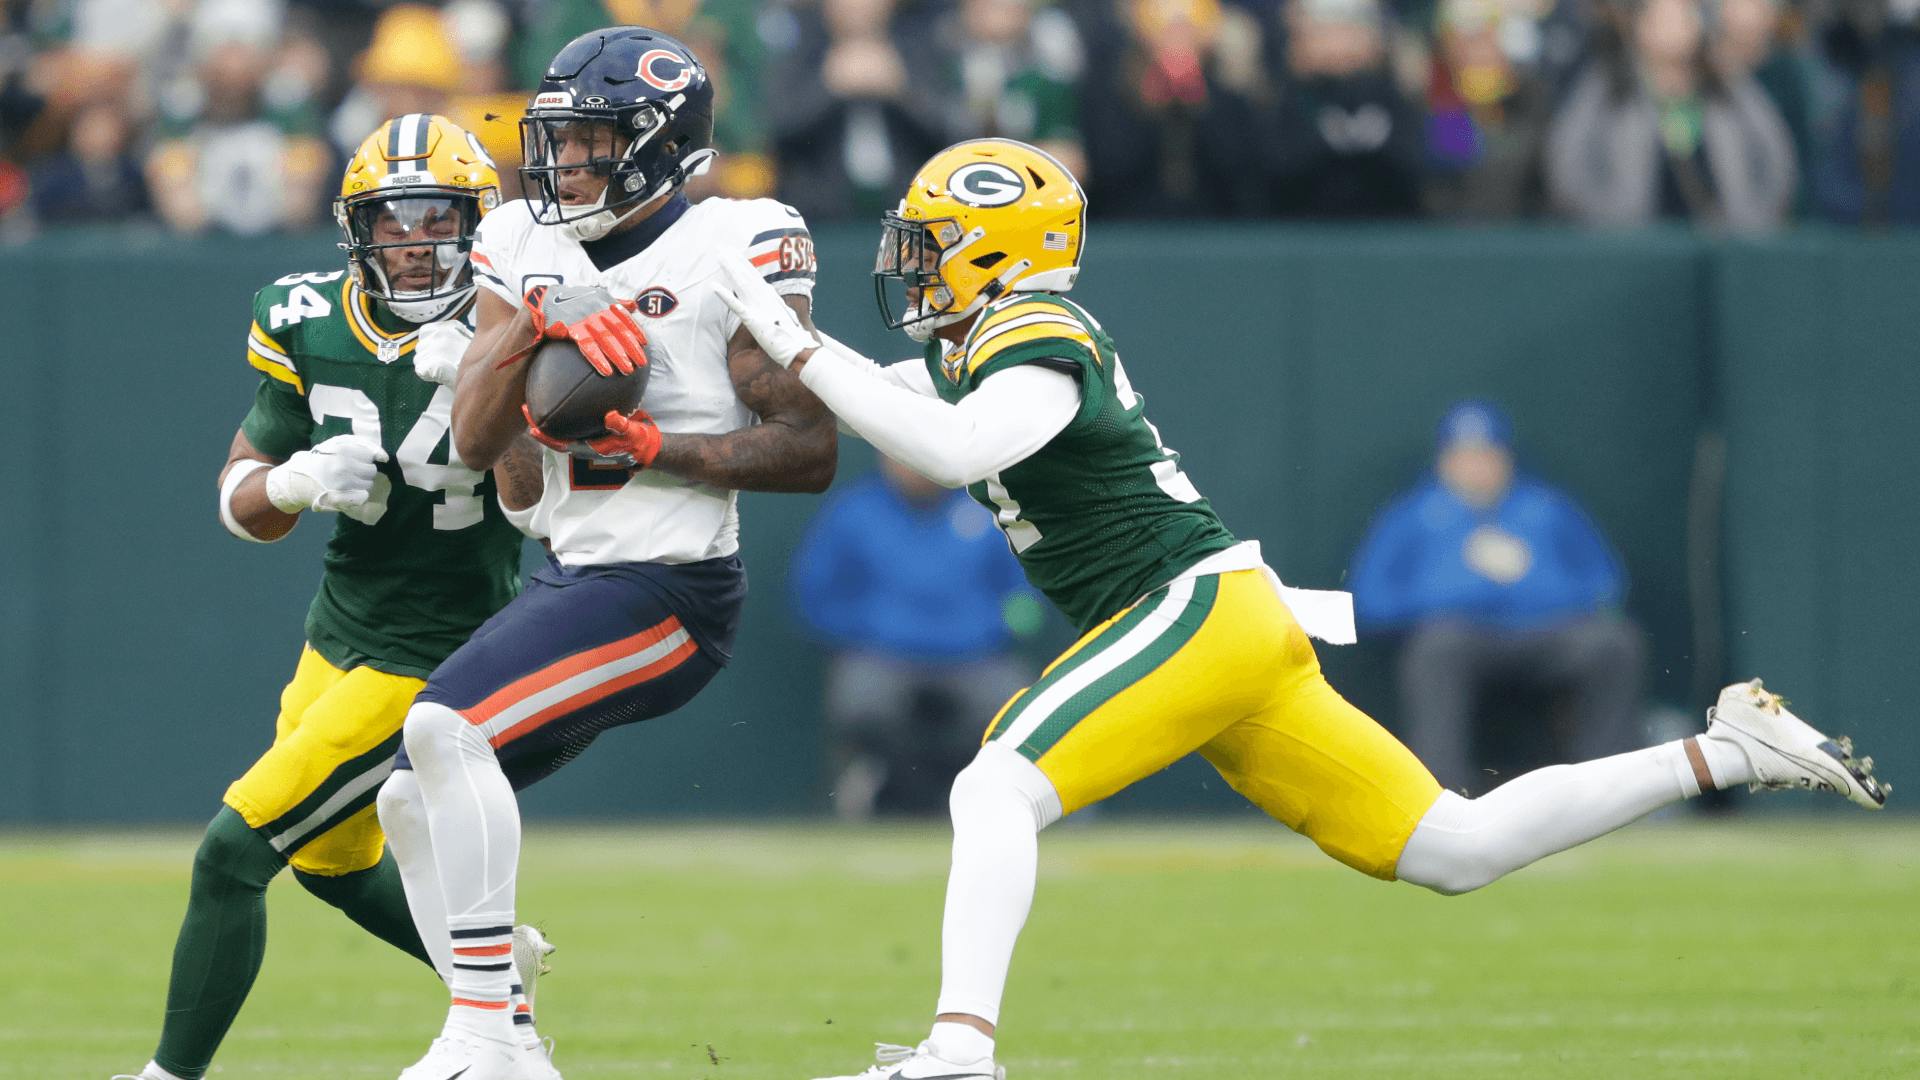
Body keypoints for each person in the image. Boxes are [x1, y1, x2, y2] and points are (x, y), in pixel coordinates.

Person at [713, 136, 1889, 1080]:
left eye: (933, 245)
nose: (911, 268)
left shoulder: (1036, 334)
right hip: (1227, 623)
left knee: (993, 785)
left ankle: (960, 1050)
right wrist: (683, 414)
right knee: (1454, 848)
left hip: (1193, 606)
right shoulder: (991, 339)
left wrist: (797, 348)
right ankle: (1724, 749)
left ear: (993, 253)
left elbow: (946, 441)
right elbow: (858, 407)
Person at [372, 26, 836, 1080]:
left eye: (590, 141)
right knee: (407, 798)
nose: (564, 163)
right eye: (559, 139)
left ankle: (481, 1033)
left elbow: (809, 451)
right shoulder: (520, 245)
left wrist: (651, 442)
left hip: (674, 588)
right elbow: (486, 446)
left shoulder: (738, 241)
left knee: (446, 727)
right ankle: (516, 1049)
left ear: (663, 144)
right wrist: (529, 328)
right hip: (571, 571)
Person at [114, 115, 549, 1080]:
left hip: (438, 649)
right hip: (337, 631)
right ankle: (491, 973)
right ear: (358, 228)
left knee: (233, 853)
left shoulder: (521, 324)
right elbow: (244, 492)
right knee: (332, 864)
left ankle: (167, 1076)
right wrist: (290, 484)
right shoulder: (302, 314)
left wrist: (500, 387)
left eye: (440, 217)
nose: (416, 240)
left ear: (482, 225)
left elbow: (545, 516)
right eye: (393, 220)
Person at [1349, 400, 1645, 794]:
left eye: (1487, 455)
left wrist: (1527, 592)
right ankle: (1440, 795)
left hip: (1547, 636)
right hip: (1461, 640)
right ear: (1444, 461)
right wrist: (1462, 597)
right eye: (1464, 456)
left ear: (1506, 459)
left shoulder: (1544, 507)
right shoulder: (1413, 514)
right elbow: (1371, 600)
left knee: (1614, 643)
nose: (1476, 466)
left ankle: (1612, 791)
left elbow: (1606, 584)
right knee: (1436, 649)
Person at [792, 457, 1042, 818]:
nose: (914, 466)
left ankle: (1009, 802)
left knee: (1018, 711)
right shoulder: (854, 510)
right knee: (862, 700)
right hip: (883, 657)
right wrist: (869, 628)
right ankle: (874, 788)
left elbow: (1026, 598)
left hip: (977, 659)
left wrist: (994, 627)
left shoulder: (987, 512)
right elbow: (814, 596)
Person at [1543, 0, 1797, 230]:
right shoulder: (1610, 84)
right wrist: (1604, 221)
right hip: (1631, 248)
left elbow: (1778, 158)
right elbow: (1567, 162)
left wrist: (1753, 220)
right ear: (1641, 25)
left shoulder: (1727, 85)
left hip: (1721, 247)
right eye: (1664, 16)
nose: (1677, 26)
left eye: (1685, 14)